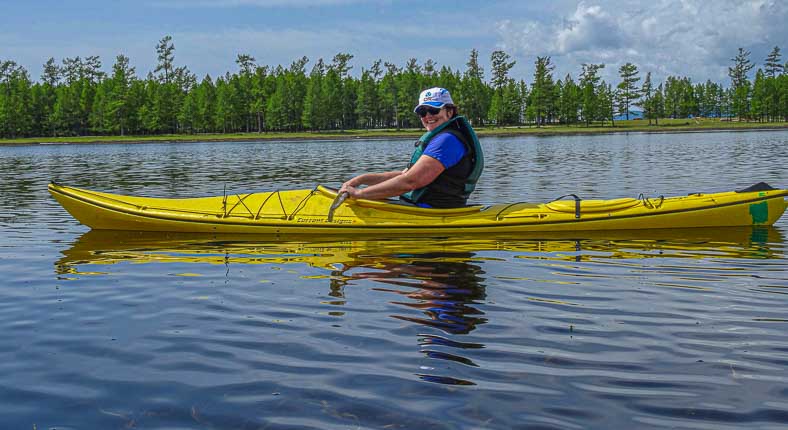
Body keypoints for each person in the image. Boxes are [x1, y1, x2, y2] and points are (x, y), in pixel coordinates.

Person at [339, 87, 484, 208]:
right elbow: (404, 176)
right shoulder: (442, 137)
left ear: (449, 112)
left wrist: (360, 194)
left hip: (431, 211)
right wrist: (362, 179)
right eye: (422, 112)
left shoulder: (447, 141)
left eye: (433, 110)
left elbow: (411, 181)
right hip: (421, 207)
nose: (428, 116)